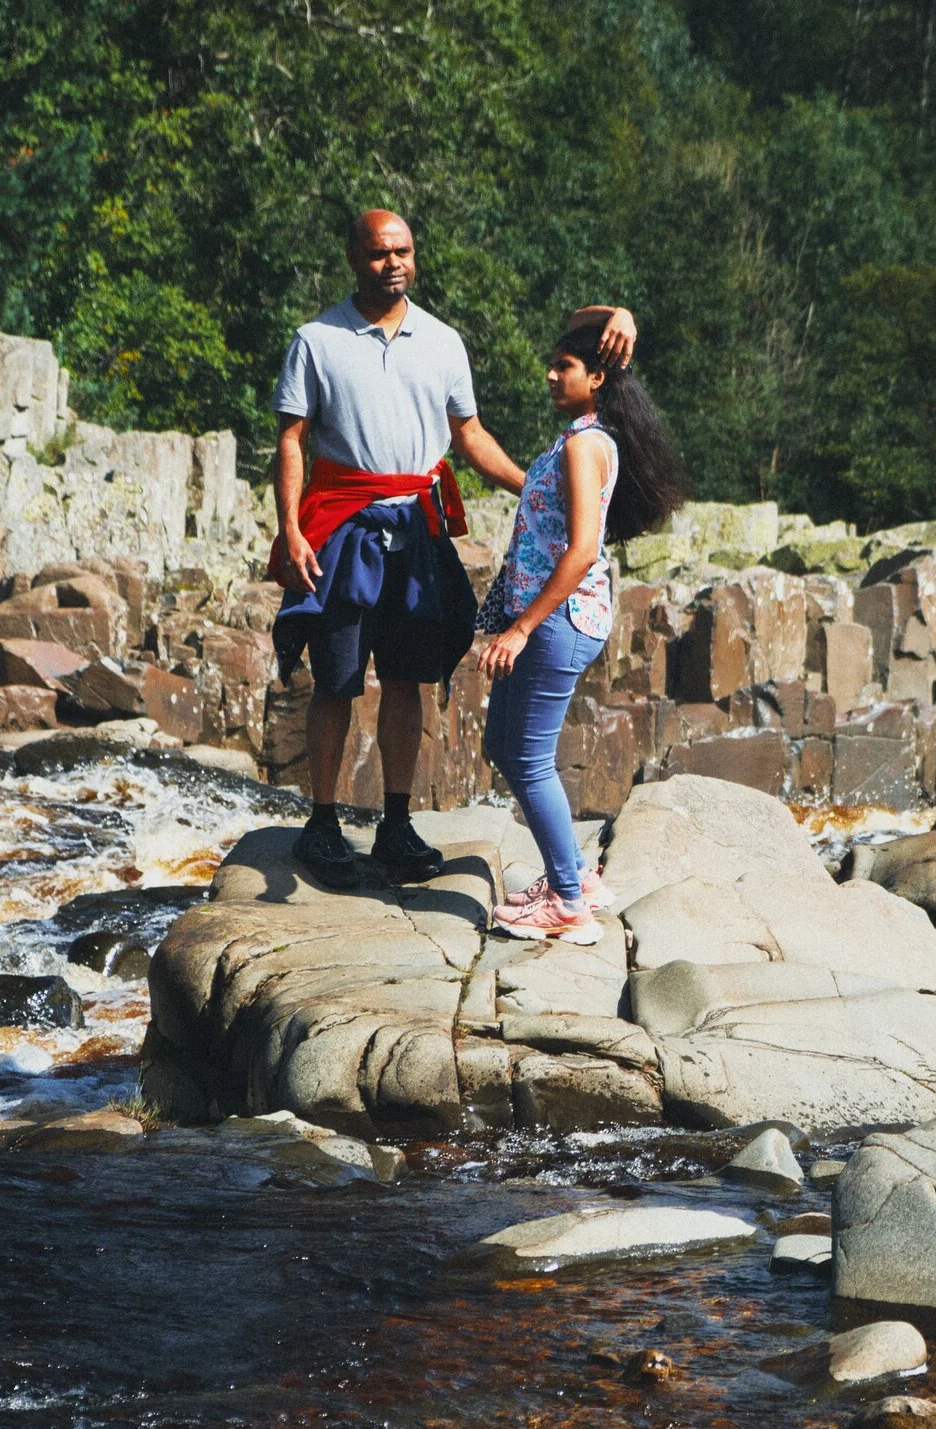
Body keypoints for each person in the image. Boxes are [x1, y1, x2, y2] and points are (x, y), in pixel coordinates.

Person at [268, 209, 636, 890]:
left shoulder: (441, 341)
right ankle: (320, 822)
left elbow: (468, 437)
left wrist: (536, 489)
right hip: (341, 525)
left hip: (419, 528)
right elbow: (291, 440)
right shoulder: (314, 340)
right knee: (336, 677)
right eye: (380, 253)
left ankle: (397, 823)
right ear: (355, 258)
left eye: (404, 251)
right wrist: (290, 528)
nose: (394, 263)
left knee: (407, 677)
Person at [477, 315, 689, 944]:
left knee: (528, 757)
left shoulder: (583, 444)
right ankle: (575, 874)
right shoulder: (584, 438)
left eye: (564, 366)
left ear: (597, 378)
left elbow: (581, 551)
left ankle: (568, 902)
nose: (550, 373)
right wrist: (617, 318)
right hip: (553, 618)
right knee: (501, 744)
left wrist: (520, 630)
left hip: (559, 620)